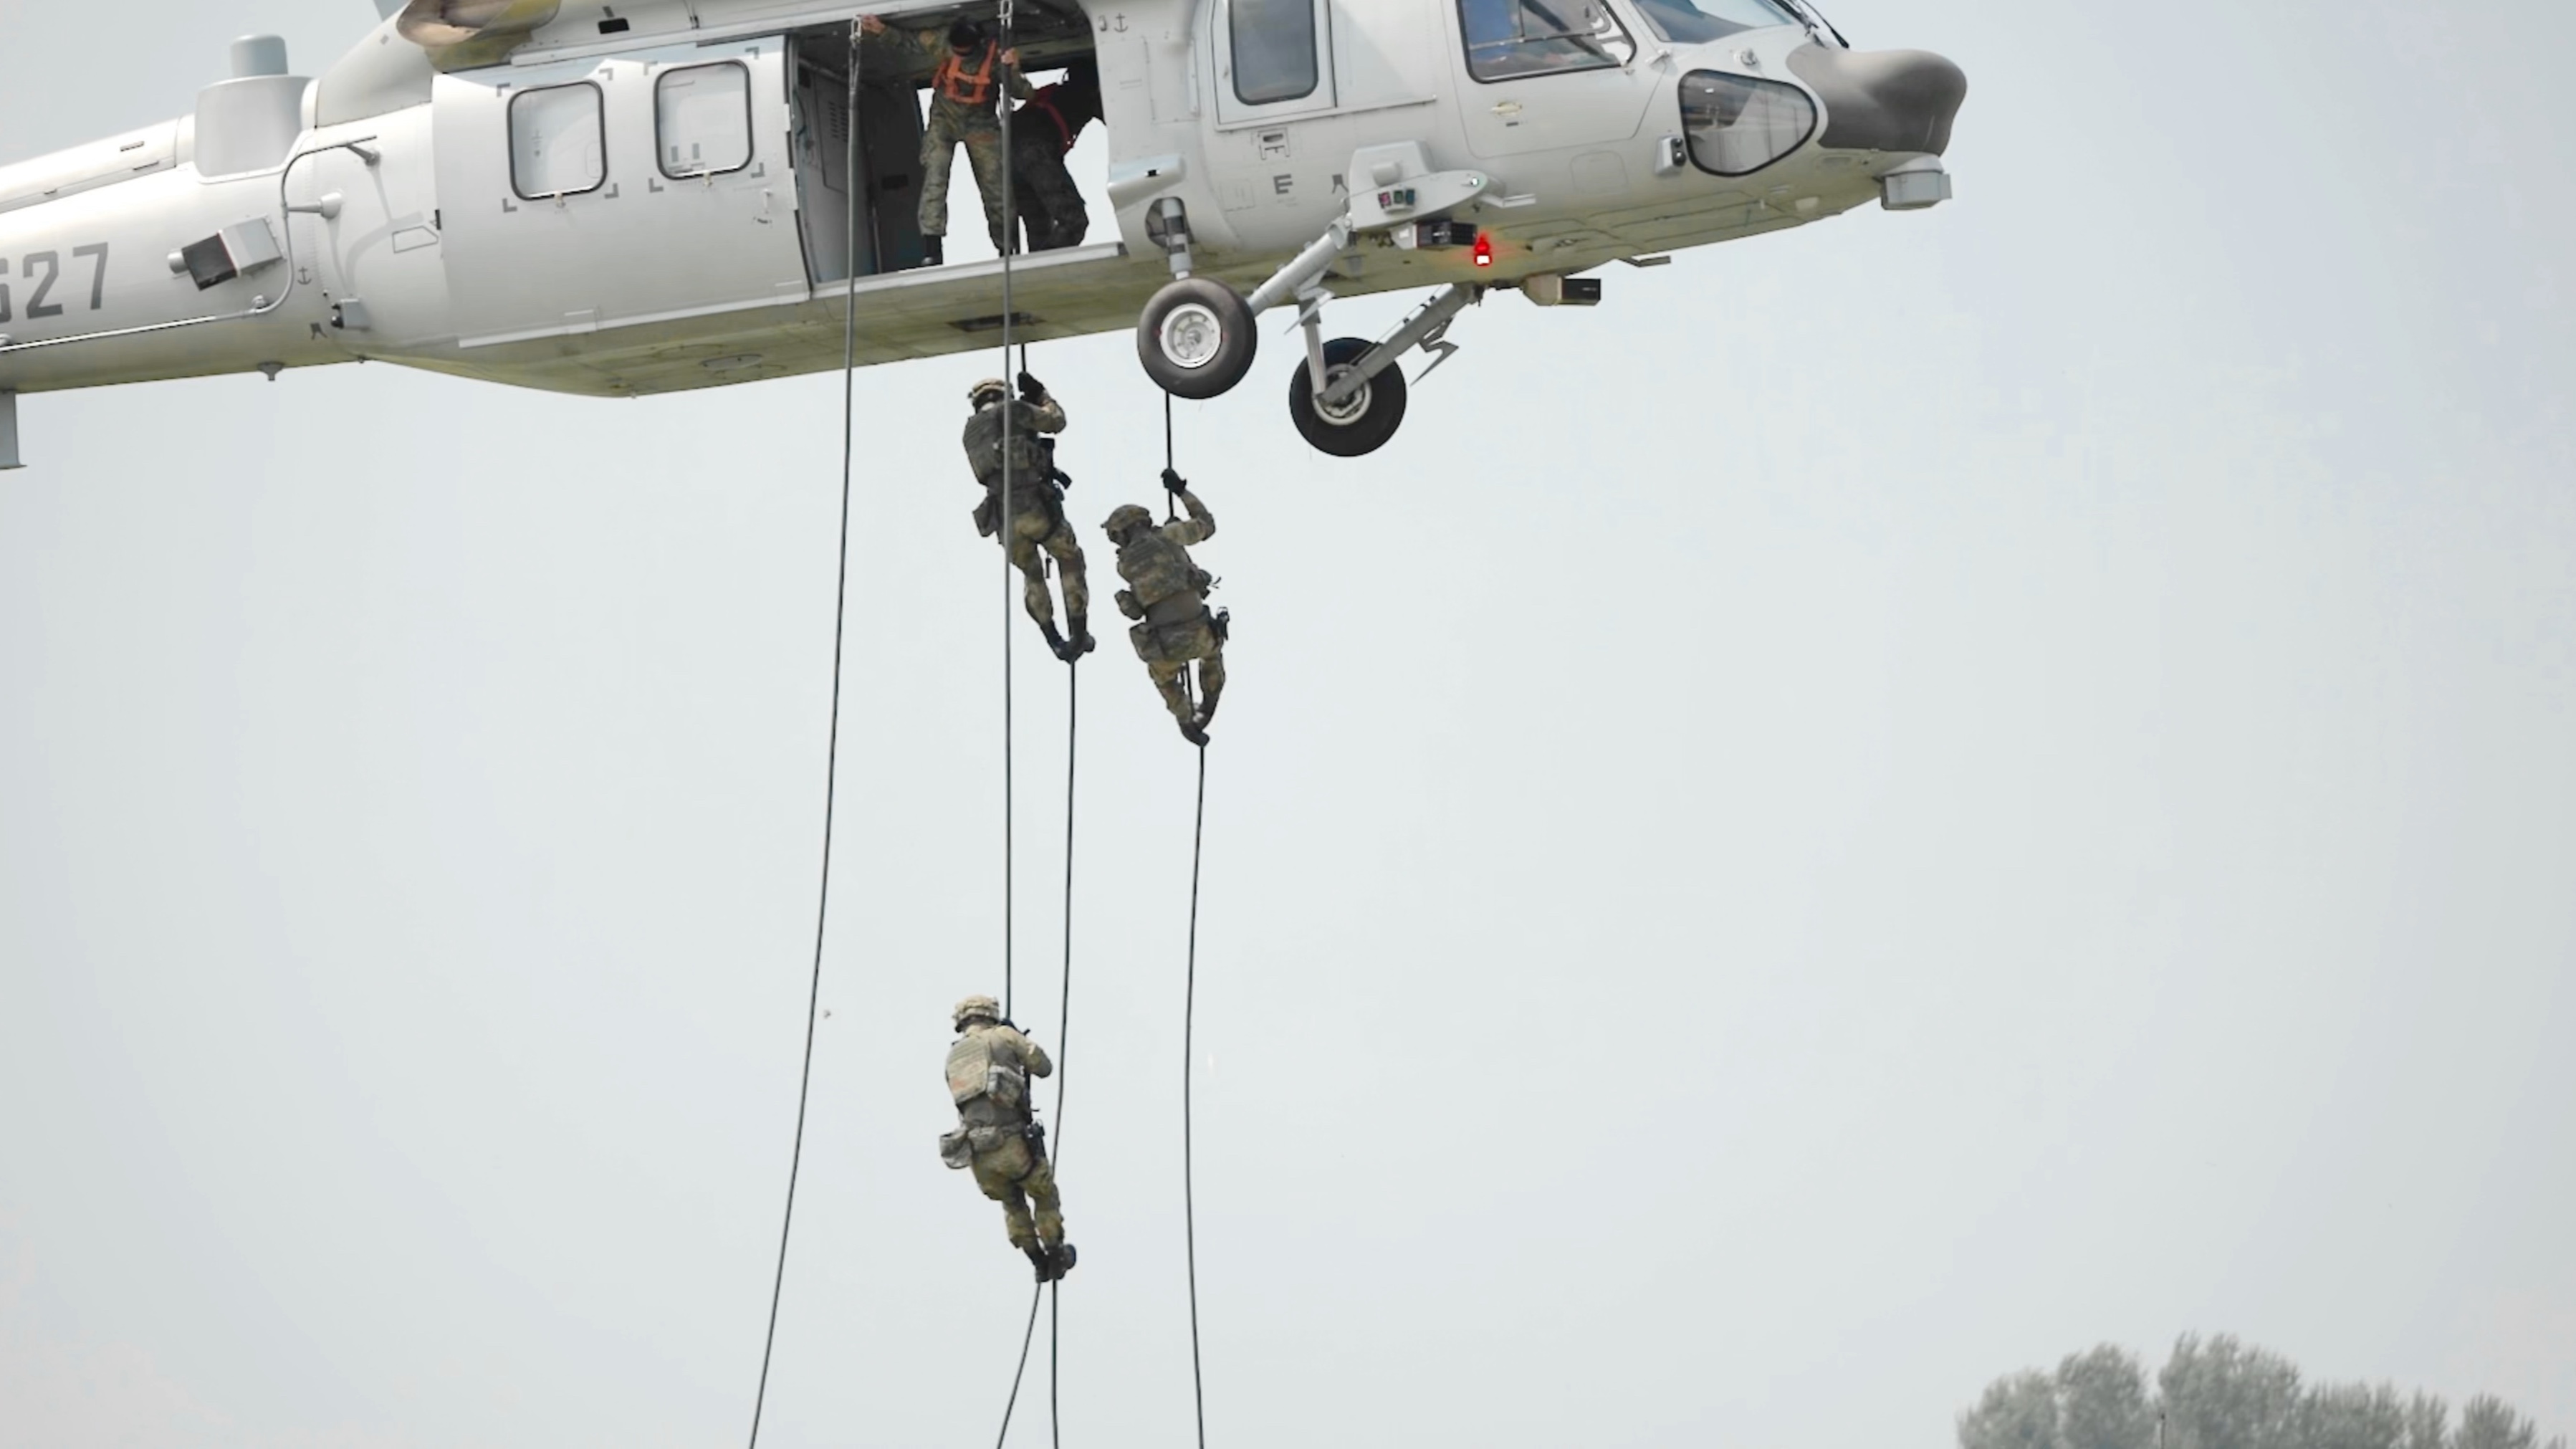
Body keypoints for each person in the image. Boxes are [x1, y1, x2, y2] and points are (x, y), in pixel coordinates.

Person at [858, 15, 1030, 262]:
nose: (959, 55)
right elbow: (910, 42)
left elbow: (1024, 92)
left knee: (996, 186)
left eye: (964, 52)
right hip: (944, 122)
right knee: (934, 178)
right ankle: (932, 249)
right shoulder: (942, 40)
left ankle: (1007, 248)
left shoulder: (995, 56)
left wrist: (1012, 68)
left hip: (981, 126)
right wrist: (882, 30)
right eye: (956, 50)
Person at [939, 995, 1074, 1283]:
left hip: (978, 1153)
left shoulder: (953, 1055)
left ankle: (1037, 1261)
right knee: (1043, 1194)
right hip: (1013, 1143)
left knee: (1012, 1204)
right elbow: (1044, 1067)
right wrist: (1014, 1043)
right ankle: (1055, 1252)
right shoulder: (1003, 1036)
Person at [965, 373, 1093, 662]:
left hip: (1003, 517)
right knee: (1069, 558)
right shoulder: (1012, 411)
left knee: (1032, 575)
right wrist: (1041, 395)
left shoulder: (970, 432)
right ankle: (1079, 632)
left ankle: (1055, 641)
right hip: (1034, 504)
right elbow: (1056, 421)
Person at [1106, 472, 1226, 745]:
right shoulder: (1170, 535)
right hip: (1200, 633)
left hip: (1164, 647)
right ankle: (1208, 705)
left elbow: (1135, 610)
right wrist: (1182, 492)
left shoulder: (1123, 564)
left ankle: (1185, 720)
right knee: (1212, 655)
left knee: (1164, 679)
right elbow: (1207, 525)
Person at [1009, 61, 1101, 252]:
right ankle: (1046, 259)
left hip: (1007, 154)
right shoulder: (1088, 96)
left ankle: (1039, 268)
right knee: (1074, 221)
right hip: (1034, 152)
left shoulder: (1056, 94)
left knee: (1039, 230)